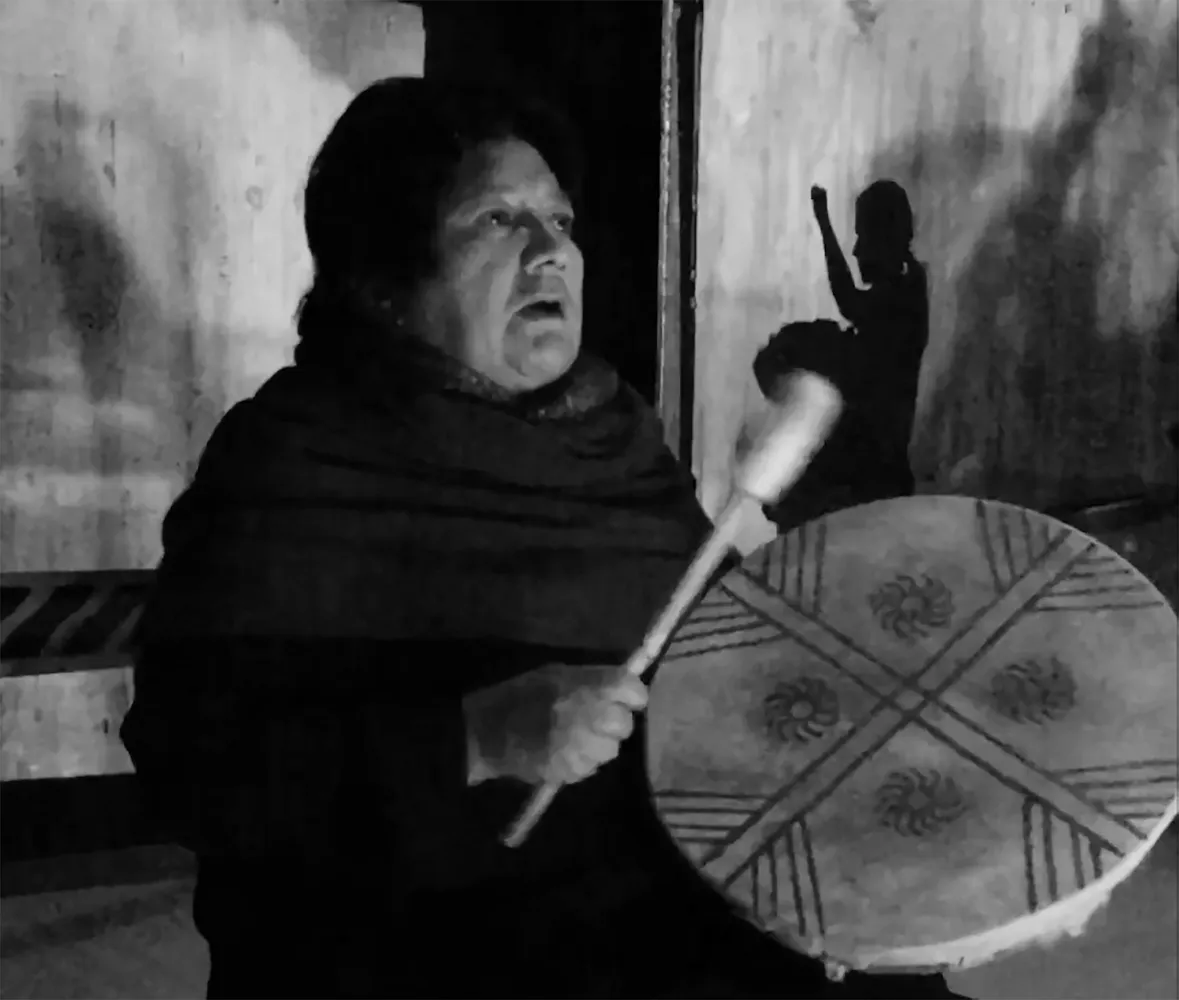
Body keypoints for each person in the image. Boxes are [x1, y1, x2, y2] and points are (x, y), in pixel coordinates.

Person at [121, 78, 968, 1000]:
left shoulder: (616, 446)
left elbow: (734, 674)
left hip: (661, 906)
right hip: (418, 934)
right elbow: (192, 771)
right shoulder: (292, 464)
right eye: (496, 221)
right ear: (384, 280)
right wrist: (473, 741)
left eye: (558, 224)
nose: (550, 254)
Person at [810, 180, 929, 499]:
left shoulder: (903, 298)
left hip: (876, 483)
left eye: (863, 236)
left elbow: (849, 301)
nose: (856, 250)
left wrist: (823, 222)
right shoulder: (908, 289)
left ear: (885, 239)